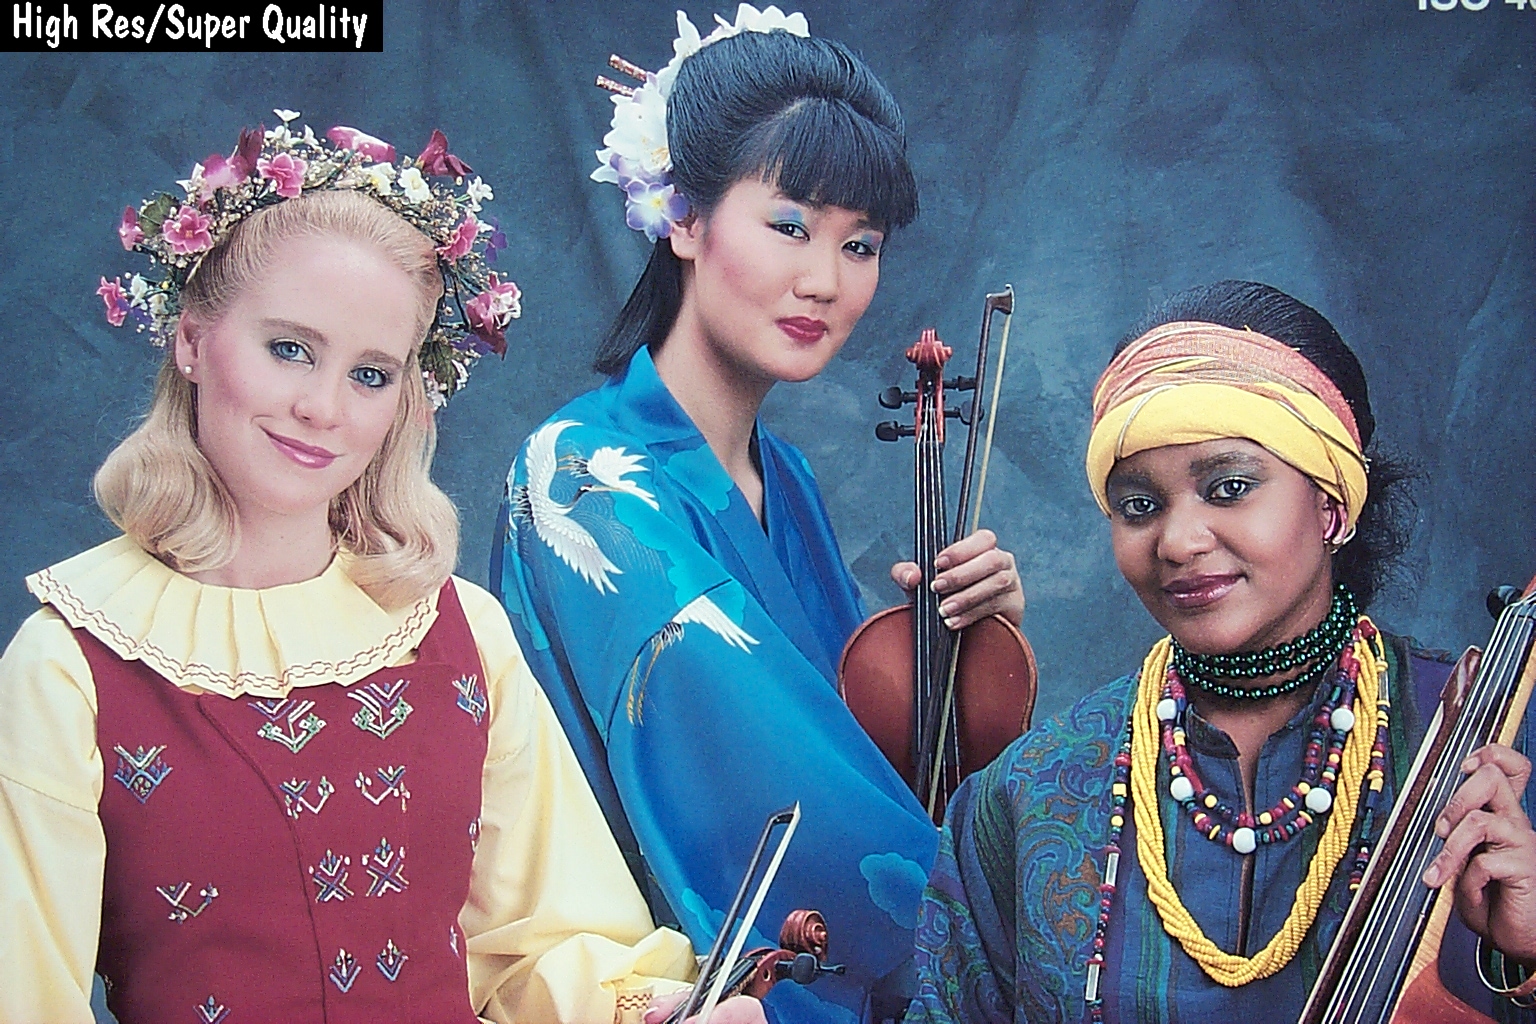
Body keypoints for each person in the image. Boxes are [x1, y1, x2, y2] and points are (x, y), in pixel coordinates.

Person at [0, 112, 765, 1024]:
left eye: (371, 374)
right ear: (194, 341)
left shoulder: (463, 633)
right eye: (290, 349)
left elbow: (538, 948)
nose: (323, 407)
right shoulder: (67, 665)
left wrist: (655, 1013)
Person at [490, 7, 1024, 1022]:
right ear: (684, 217)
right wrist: (1009, 900)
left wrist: (962, 657)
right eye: (790, 226)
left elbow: (863, 747)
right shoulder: (580, 476)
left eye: (860, 244)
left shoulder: (787, 478)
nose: (825, 280)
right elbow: (780, 781)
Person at [904, 280, 1536, 1023]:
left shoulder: (1495, 742)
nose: (1177, 542)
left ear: (1332, 504)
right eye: (1139, 506)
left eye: (1229, 487)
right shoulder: (1030, 789)